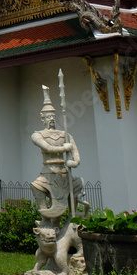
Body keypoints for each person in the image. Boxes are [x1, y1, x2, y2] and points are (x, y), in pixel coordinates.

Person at [30, 85, 89, 223]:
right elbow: (48, 148)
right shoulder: (37, 135)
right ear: (43, 119)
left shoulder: (65, 134)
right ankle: (45, 221)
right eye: (48, 117)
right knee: (36, 187)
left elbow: (76, 154)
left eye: (52, 116)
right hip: (48, 172)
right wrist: (64, 148)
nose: (51, 119)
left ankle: (71, 220)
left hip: (63, 172)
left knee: (77, 184)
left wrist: (74, 162)